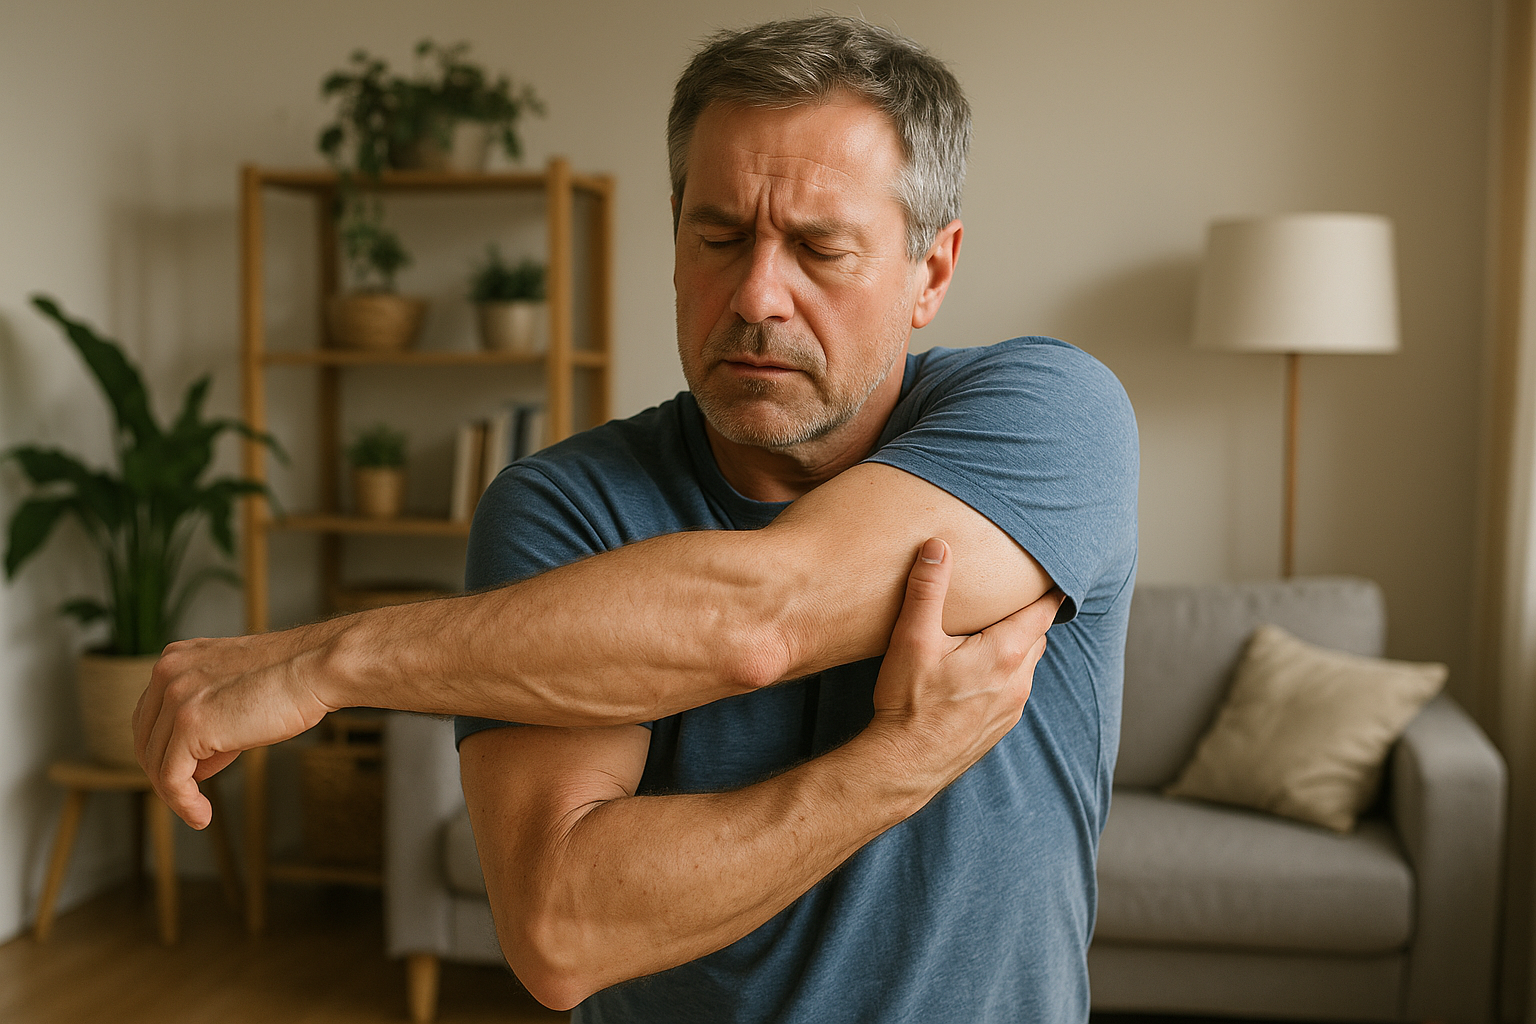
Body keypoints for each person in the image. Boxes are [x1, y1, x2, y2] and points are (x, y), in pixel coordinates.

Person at [135, 15, 1138, 1023]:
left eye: (819, 247)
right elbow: (563, 933)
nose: (756, 295)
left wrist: (326, 661)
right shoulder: (562, 509)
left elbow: (761, 616)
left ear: (932, 270)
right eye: (717, 235)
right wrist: (891, 769)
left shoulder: (1052, 417)